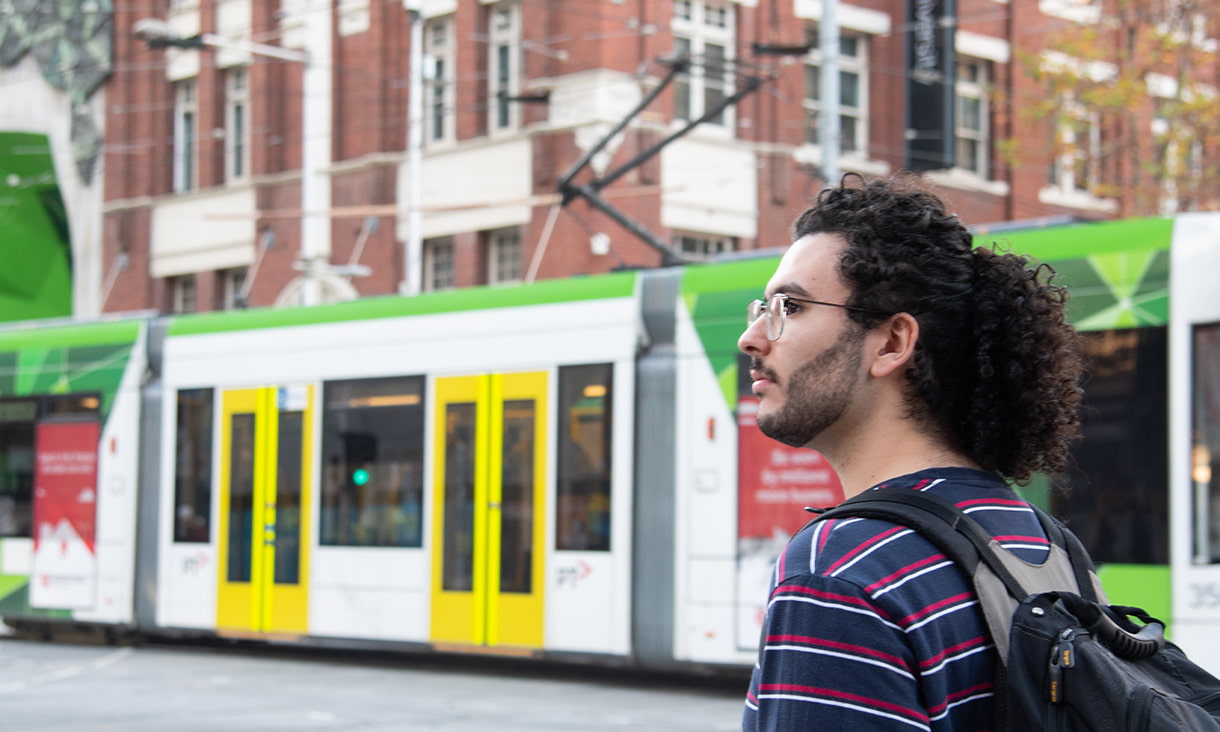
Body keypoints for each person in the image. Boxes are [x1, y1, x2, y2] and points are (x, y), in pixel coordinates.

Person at [738, 174, 1084, 730]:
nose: (752, 337)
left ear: (893, 343)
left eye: (790, 307)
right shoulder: (1040, 538)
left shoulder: (841, 569)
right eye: (763, 307)